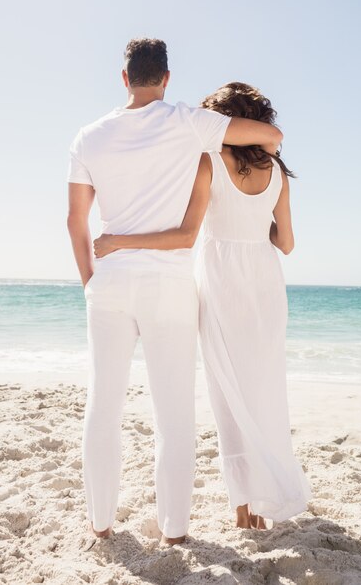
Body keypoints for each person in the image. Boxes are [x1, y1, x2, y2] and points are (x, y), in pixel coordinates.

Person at [67, 42, 284, 544]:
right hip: (168, 285)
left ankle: (100, 524)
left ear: (124, 79)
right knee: (174, 413)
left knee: (103, 405)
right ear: (166, 78)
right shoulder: (188, 122)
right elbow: (271, 136)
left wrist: (91, 282)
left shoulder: (89, 136)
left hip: (111, 281)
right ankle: (174, 533)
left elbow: (76, 219)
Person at [93, 82, 313, 530]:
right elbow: (286, 243)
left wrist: (118, 240)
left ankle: (243, 509)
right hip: (265, 280)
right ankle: (269, 494)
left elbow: (187, 234)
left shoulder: (208, 162)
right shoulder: (278, 172)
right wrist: (257, 231)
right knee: (265, 387)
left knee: (226, 391)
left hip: (220, 278)